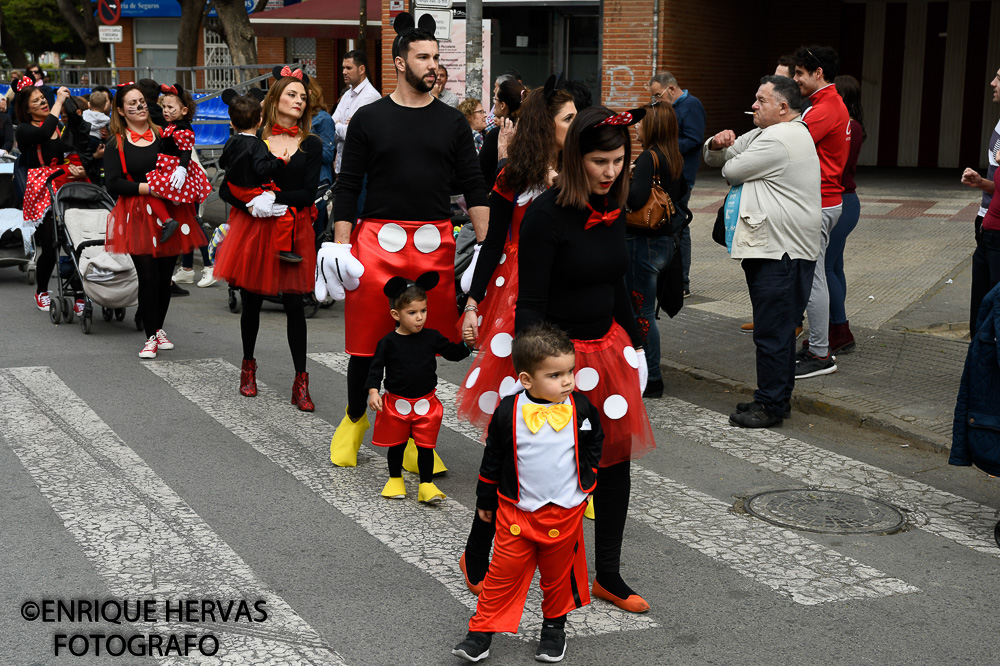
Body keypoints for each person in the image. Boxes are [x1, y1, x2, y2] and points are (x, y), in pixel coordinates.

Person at [463, 106, 656, 616]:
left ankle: (608, 575)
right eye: (599, 161)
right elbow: (531, 301)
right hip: (553, 360)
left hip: (607, 352)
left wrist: (636, 347)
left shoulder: (612, 206)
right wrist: (535, 378)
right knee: (521, 461)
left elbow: (616, 282)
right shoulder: (546, 215)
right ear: (575, 160)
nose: (611, 171)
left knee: (613, 463)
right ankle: (480, 548)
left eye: (618, 160)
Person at [320, 12, 489, 473]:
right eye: (423, 57)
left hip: (435, 241)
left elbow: (474, 185)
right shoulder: (369, 119)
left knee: (422, 343)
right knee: (367, 343)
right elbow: (348, 184)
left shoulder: (453, 122)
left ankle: (416, 439)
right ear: (399, 62)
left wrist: (488, 252)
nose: (432, 64)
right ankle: (355, 420)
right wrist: (339, 245)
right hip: (376, 242)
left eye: (436, 57)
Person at [451, 324, 602, 664]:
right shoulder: (508, 410)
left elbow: (594, 442)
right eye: (555, 375)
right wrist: (485, 500)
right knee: (502, 573)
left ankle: (553, 629)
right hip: (517, 511)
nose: (567, 381)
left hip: (564, 511)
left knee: (557, 577)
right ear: (527, 379)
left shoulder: (582, 407)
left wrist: (589, 478)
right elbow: (492, 458)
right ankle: (480, 633)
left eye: (570, 372)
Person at [456, 81, 577, 436]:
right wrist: (473, 303)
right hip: (517, 289)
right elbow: (492, 244)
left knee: (566, 374)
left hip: (569, 286)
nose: (577, 126)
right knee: (524, 375)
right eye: (569, 119)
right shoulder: (513, 176)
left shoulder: (582, 172)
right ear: (545, 124)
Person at [703, 75, 821, 428]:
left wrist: (728, 153)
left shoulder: (782, 138)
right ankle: (776, 399)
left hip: (780, 253)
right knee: (780, 329)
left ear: (783, 107)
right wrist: (717, 141)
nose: (753, 105)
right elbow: (718, 155)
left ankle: (769, 405)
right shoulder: (768, 133)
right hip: (775, 250)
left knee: (772, 331)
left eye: (760, 100)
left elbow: (731, 168)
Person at [214, 67, 320, 410]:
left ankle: (300, 382)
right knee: (252, 301)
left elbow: (307, 192)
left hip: (293, 227)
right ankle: (248, 367)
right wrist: (252, 202)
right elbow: (226, 189)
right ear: (274, 99)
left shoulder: (311, 144)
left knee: (294, 306)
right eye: (292, 94)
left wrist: (275, 199)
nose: (299, 101)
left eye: (303, 97)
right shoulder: (254, 141)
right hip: (256, 228)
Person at [104, 82, 207, 359]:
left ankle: (158, 328)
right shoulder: (117, 141)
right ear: (121, 111)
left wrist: (183, 174)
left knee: (163, 278)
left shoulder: (164, 132)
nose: (139, 106)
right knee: (148, 276)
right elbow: (113, 183)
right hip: (137, 213)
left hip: (170, 212)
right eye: (132, 103)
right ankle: (149, 336)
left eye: (141, 101)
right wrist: (148, 188)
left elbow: (184, 160)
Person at [366, 274, 473, 503]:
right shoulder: (388, 342)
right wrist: (373, 391)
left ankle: (426, 485)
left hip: (426, 404)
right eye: (412, 313)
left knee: (426, 447)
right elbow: (375, 370)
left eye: (423, 311)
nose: (419, 318)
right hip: (396, 404)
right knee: (397, 445)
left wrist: (467, 344)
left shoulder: (432, 337)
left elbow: (453, 354)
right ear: (396, 314)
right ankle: (395, 479)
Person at [792, 45, 850, 379]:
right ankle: (817, 345)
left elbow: (790, 143)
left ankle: (820, 353)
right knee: (812, 276)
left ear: (819, 74)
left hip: (820, 201)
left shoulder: (825, 107)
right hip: (824, 200)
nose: (796, 79)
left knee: (814, 279)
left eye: (800, 73)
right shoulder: (826, 103)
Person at [625, 101, 689, 400]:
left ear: (652, 126)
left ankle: (651, 378)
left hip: (642, 242)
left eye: (640, 122)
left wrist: (625, 180)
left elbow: (636, 200)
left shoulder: (649, 157)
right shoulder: (673, 155)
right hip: (664, 241)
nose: (636, 126)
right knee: (646, 312)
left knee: (642, 313)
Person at [14, 78, 89, 314]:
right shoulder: (26, 130)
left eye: (43, 98)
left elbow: (74, 146)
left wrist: (81, 168)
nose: (43, 102)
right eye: (36, 101)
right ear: (27, 109)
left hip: (64, 182)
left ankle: (78, 292)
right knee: (51, 245)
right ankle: (42, 290)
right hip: (41, 188)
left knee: (77, 241)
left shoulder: (59, 125)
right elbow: (45, 131)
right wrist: (58, 102)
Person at [649, 71, 705, 298]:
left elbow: (694, 139)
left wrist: (664, 147)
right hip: (669, 174)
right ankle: (670, 279)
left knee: (679, 227)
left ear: (671, 89)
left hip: (682, 177)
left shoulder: (691, 106)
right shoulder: (671, 105)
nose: (656, 100)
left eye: (658, 95)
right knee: (672, 225)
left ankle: (682, 283)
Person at [826, 74, 865, 354]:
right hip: (846, 202)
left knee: (825, 268)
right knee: (835, 267)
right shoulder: (853, 125)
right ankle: (833, 327)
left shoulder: (849, 127)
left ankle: (840, 330)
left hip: (841, 201)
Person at [962, 64, 1000, 336]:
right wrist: (982, 183)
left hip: (996, 230)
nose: (992, 83)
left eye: (999, 77)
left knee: (991, 309)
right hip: (987, 222)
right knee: (982, 308)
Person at [144, 83, 213, 233]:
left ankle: (170, 220)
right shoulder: (173, 125)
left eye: (170, 108)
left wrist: (181, 169)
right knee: (182, 195)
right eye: (164, 107)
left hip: (173, 167)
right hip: (168, 165)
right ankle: (192, 216)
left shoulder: (183, 129)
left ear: (184, 110)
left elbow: (186, 151)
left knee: (153, 191)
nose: (165, 111)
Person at [333, 49, 381, 177]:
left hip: (361, 171)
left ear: (361, 69)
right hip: (342, 167)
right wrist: (341, 126)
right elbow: (330, 127)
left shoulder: (370, 96)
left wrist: (339, 125)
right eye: (343, 68)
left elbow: (353, 133)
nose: (344, 72)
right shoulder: (347, 94)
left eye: (348, 68)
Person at [479, 78, 526, 192]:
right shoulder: (528, 129)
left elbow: (480, 170)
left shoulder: (497, 134)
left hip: (501, 193)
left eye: (495, 99)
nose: (494, 103)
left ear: (503, 105)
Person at [308, 78, 337, 244]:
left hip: (319, 185)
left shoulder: (323, 119)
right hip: (301, 184)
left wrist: (305, 140)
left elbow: (327, 154)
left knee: (317, 237)